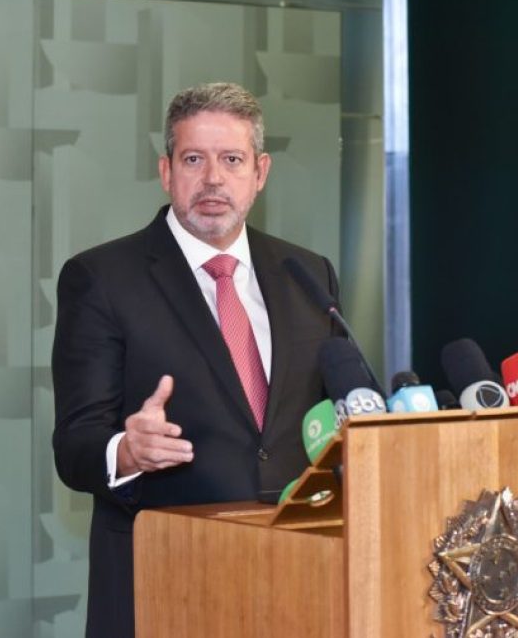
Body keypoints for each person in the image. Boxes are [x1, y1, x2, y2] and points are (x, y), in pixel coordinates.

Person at [51, 82, 341, 637]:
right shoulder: (103, 279)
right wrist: (128, 451)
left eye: (231, 159)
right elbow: (75, 445)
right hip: (163, 580)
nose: (213, 178)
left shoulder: (306, 274)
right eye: (193, 159)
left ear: (260, 172)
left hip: (295, 581)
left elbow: (331, 419)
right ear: (166, 172)